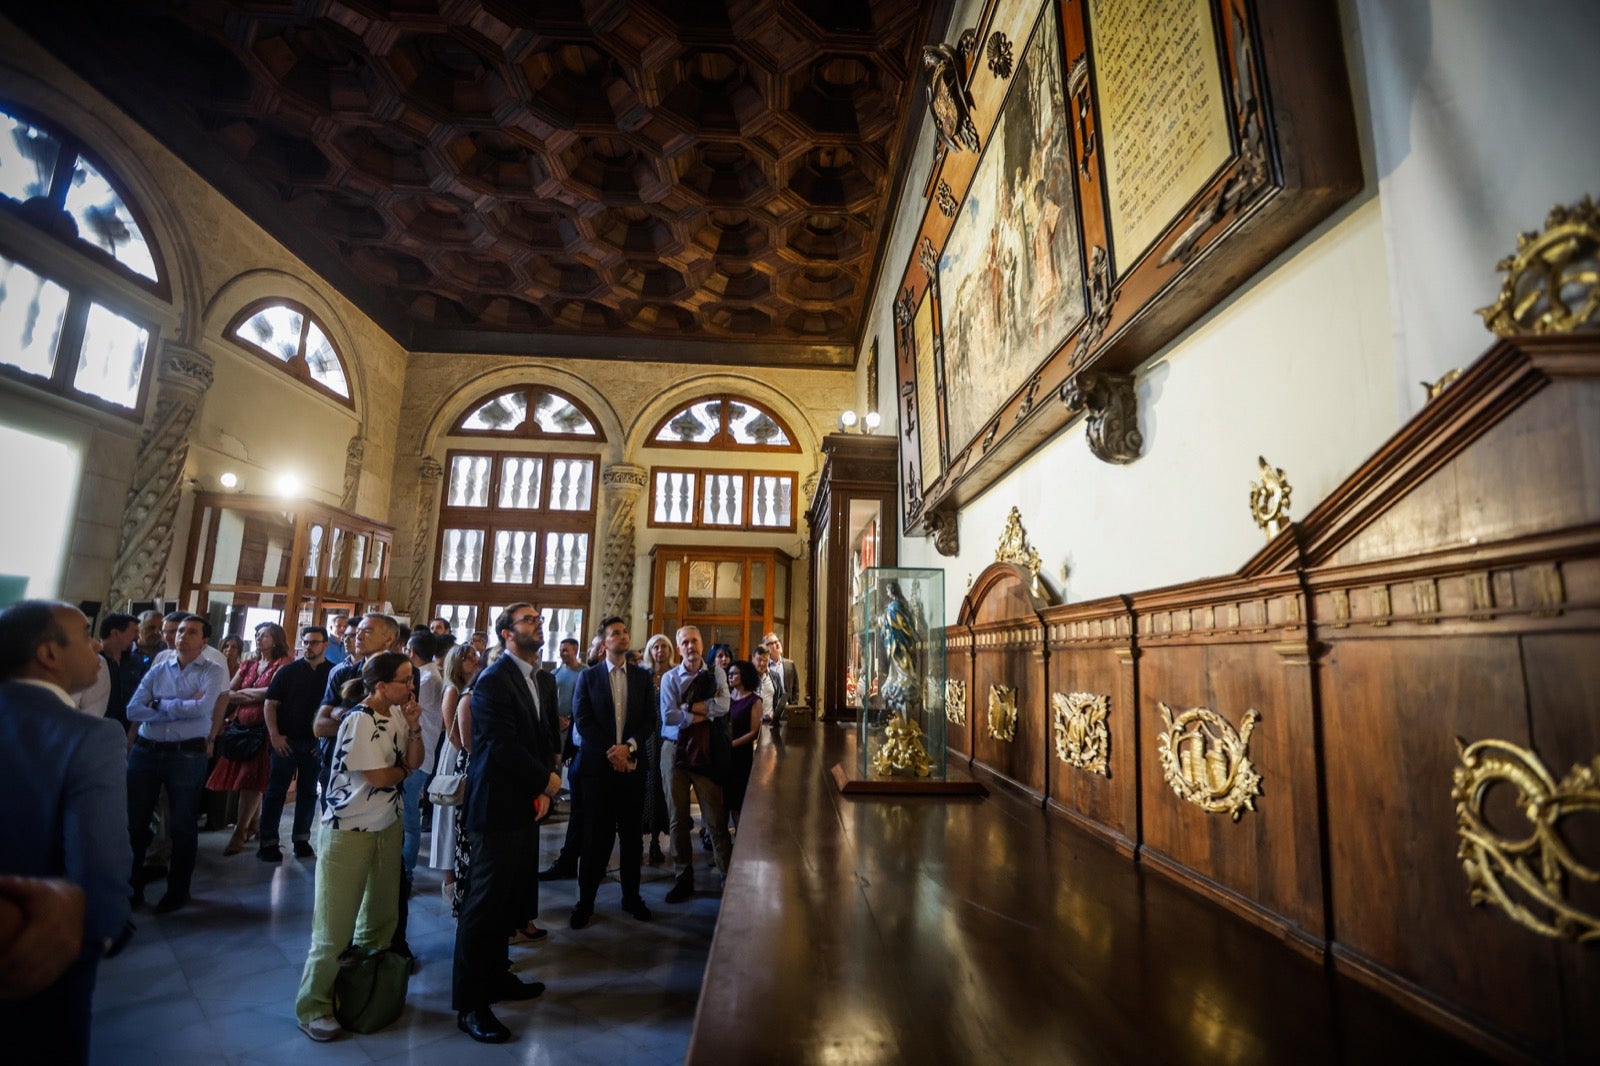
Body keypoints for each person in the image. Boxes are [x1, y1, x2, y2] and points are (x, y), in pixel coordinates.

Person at [0, 601, 132, 1065]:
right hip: (44, 947)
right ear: (48, 655)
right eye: (83, 634)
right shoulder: (89, 736)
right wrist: (99, 935)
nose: (96, 643)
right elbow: (99, 858)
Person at [294, 652, 423, 1042]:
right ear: (381, 686)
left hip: (386, 824)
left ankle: (364, 991)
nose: (412, 686)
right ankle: (313, 1005)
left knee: (380, 918)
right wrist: (403, 771)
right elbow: (381, 776)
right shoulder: (358, 720)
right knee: (334, 925)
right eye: (405, 680)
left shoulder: (398, 713)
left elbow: (417, 759)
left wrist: (415, 730)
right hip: (349, 829)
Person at [451, 603, 562, 1044]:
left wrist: (542, 787)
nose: (538, 624)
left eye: (539, 619)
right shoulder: (493, 680)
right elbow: (499, 745)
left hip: (524, 801)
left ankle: (497, 977)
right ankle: (471, 1004)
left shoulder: (539, 677)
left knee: (508, 900)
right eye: (528, 620)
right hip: (496, 803)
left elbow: (543, 736)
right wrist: (546, 781)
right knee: (482, 906)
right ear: (506, 633)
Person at [125, 614, 230, 913]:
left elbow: (204, 707)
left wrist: (158, 704)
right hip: (146, 751)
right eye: (180, 631)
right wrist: (178, 706)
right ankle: (132, 888)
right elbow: (134, 709)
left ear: (204, 640)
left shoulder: (211, 670)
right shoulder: (159, 668)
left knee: (183, 825)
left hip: (186, 754)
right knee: (135, 823)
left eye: (191, 632)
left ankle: (177, 890)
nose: (182, 636)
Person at [569, 616, 654, 929]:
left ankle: (632, 897)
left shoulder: (643, 678)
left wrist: (628, 747)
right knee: (595, 838)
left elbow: (648, 721)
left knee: (632, 838)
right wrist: (612, 750)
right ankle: (585, 901)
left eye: (624, 632)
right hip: (598, 769)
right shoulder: (589, 678)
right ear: (604, 643)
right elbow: (583, 719)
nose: (622, 637)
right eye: (615, 633)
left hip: (631, 768)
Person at [658, 625, 732, 903]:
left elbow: (724, 705)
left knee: (715, 817)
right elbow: (669, 716)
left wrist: (689, 708)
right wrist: (702, 713)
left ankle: (728, 878)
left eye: (695, 641)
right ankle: (682, 877)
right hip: (674, 750)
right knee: (677, 818)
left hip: (705, 751)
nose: (691, 646)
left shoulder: (716, 673)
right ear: (679, 648)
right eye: (685, 642)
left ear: (703, 644)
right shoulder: (669, 678)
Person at [209, 623, 292, 855]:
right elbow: (228, 692)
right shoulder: (248, 664)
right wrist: (249, 696)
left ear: (275, 639)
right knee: (244, 778)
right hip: (241, 727)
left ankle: (240, 830)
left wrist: (244, 696)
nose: (258, 638)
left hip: (264, 728)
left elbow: (272, 693)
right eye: (257, 634)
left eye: (264, 635)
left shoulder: (283, 664)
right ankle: (253, 824)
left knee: (252, 779)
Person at [258, 626, 334, 862]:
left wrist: (321, 740)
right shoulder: (287, 671)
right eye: (306, 642)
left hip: (314, 743)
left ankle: (301, 839)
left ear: (325, 645)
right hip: (286, 741)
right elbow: (270, 704)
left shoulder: (333, 672)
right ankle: (268, 842)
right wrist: (275, 735)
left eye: (314, 642)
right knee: (275, 792)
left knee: (308, 792)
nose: (309, 647)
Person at [431, 642, 479, 907]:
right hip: (455, 759)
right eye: (468, 658)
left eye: (475, 657)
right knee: (451, 813)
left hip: (463, 756)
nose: (474, 661)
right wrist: (468, 757)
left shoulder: (472, 687)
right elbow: (454, 733)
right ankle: (449, 879)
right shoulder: (453, 690)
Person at [536, 637, 585, 884]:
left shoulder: (585, 673)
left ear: (575, 650)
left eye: (566, 650)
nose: (562, 653)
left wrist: (572, 721)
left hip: (577, 732)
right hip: (557, 730)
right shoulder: (553, 674)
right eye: (560, 650)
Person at [401, 632, 444, 881]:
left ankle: (406, 870)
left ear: (412, 652)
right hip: (421, 749)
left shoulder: (426, 678)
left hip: (420, 751)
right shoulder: (431, 674)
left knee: (408, 815)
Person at [640, 634, 673, 866]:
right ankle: (645, 841)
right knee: (646, 787)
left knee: (665, 788)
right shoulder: (643, 676)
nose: (660, 651)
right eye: (655, 647)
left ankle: (659, 840)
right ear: (650, 651)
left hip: (669, 735)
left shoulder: (675, 674)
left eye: (663, 647)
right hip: (646, 737)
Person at [723, 660, 763, 829]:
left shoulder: (754, 700)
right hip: (725, 753)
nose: (730, 677)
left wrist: (733, 744)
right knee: (725, 800)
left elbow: (754, 731)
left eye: (735, 674)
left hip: (741, 754)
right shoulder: (726, 697)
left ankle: (741, 839)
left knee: (739, 800)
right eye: (729, 674)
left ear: (744, 676)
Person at [762, 632, 799, 724]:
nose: (777, 644)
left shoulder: (790, 664)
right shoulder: (764, 667)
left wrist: (793, 705)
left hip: (788, 710)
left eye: (777, 641)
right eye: (773, 643)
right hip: (771, 711)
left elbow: (795, 687)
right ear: (767, 647)